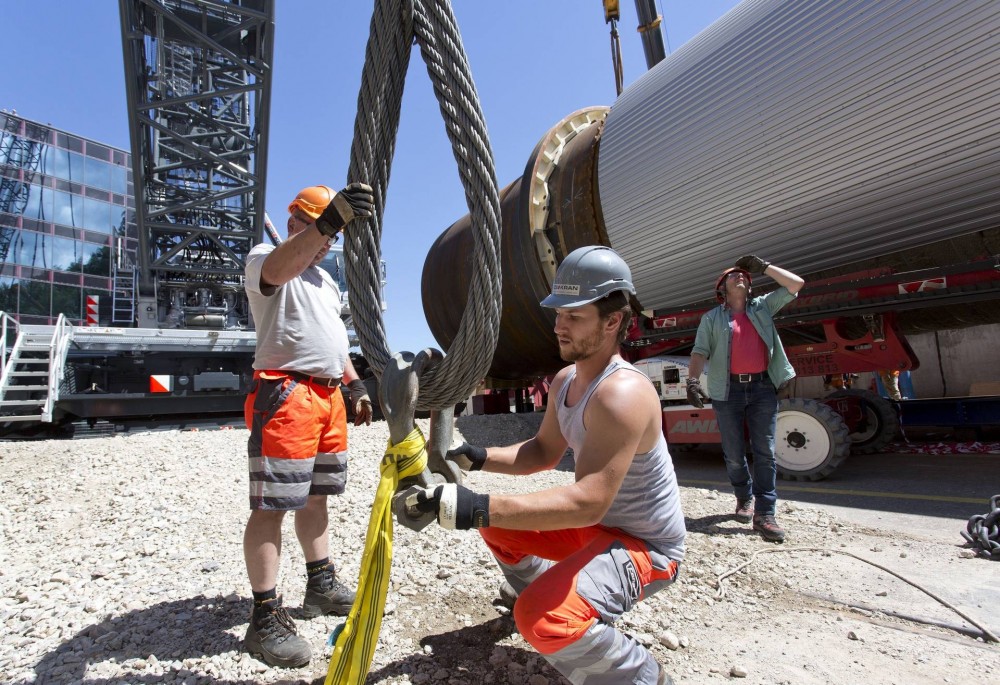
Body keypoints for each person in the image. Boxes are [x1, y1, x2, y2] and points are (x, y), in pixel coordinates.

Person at [401, 246, 686, 685]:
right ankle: (542, 591)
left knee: (542, 621)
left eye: (574, 315)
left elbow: (588, 501)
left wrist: (476, 505)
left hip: (646, 548)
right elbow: (542, 452)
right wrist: (474, 456)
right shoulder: (567, 380)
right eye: (558, 313)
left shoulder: (622, 394)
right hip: (598, 530)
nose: (559, 326)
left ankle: (645, 677)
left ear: (612, 322)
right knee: (499, 527)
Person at [241, 183, 376, 668]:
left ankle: (319, 584)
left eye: (333, 235)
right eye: (325, 230)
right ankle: (264, 617)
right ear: (299, 219)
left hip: (326, 395)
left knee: (316, 497)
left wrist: (355, 385)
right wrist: (326, 222)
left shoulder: (326, 282)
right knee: (273, 504)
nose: (328, 243)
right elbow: (278, 269)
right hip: (286, 394)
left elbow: (334, 342)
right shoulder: (265, 257)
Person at [685, 255, 804, 542]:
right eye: (733, 275)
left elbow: (796, 284)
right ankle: (743, 497)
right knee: (735, 454)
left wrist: (764, 267)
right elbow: (700, 351)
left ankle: (766, 514)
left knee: (765, 450)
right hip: (728, 392)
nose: (741, 276)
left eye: (745, 276)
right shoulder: (711, 318)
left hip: (763, 388)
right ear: (722, 288)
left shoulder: (762, 307)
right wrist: (692, 381)